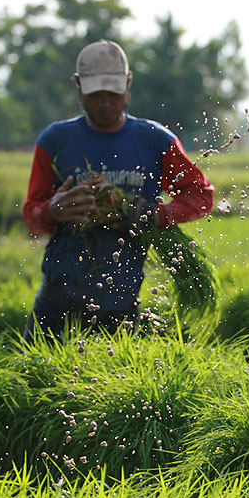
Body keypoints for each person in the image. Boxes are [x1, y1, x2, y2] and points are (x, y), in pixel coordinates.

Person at [22, 39, 214, 339]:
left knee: (113, 382)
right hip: (58, 294)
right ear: (78, 86)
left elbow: (201, 197)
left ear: (128, 83)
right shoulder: (55, 141)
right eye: (95, 95)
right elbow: (31, 215)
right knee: (38, 380)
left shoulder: (156, 141)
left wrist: (155, 215)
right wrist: (52, 210)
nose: (105, 103)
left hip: (121, 300)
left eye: (112, 93)